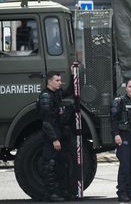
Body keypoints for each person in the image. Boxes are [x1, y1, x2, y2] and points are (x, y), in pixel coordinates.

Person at [38, 71, 74, 202]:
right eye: (57, 80)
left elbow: (70, 90)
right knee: (50, 165)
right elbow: (46, 122)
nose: (60, 82)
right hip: (51, 135)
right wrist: (54, 140)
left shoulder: (56, 93)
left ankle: (61, 192)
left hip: (59, 133)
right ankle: (50, 194)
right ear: (49, 81)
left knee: (62, 163)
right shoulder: (46, 97)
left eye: (60, 80)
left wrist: (73, 73)